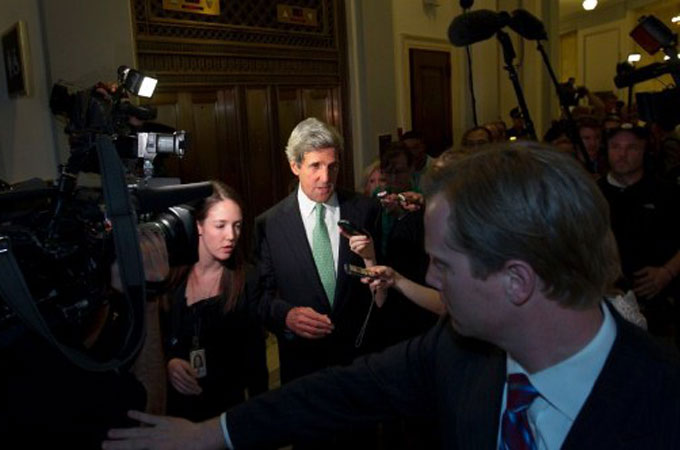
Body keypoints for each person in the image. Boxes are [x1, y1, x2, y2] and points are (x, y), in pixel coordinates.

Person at [104, 143, 680, 450]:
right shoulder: (457, 352)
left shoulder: (663, 404)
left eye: (443, 264)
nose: (430, 278)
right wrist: (210, 434)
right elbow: (339, 392)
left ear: (517, 281)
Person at [253, 117, 381, 384]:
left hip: (358, 362)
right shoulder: (271, 224)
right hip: (302, 366)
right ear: (295, 166)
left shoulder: (365, 210)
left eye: (333, 166)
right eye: (315, 166)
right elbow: (260, 298)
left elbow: (384, 287)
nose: (326, 178)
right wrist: (287, 316)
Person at [161, 181, 268, 422]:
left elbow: (256, 361)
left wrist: (259, 422)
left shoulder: (248, 278)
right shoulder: (169, 277)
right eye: (220, 226)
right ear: (198, 225)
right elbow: (154, 339)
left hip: (225, 414)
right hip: (177, 413)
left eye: (237, 226)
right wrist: (169, 362)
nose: (231, 236)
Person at [598, 124, 680, 345]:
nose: (622, 154)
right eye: (615, 147)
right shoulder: (593, 193)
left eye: (631, 147)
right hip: (605, 306)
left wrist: (667, 272)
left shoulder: (667, 192)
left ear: (645, 151)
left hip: (659, 305)